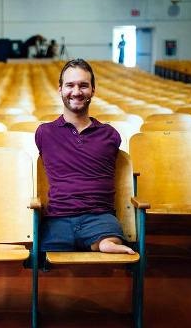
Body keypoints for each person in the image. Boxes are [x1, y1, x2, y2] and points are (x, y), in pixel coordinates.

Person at [35, 59, 135, 254]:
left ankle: (104, 242)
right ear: (60, 90)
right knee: (41, 255)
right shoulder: (44, 133)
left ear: (93, 90)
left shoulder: (110, 134)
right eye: (70, 85)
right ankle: (97, 243)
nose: (76, 92)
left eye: (83, 86)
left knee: (109, 234)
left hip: (99, 216)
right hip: (58, 217)